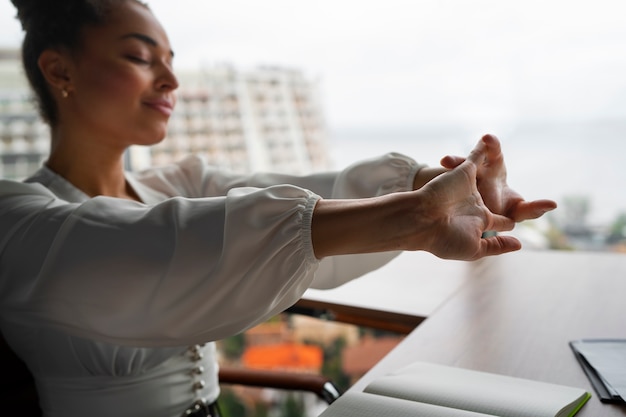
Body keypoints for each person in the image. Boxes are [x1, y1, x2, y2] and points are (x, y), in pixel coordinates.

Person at [0, 0, 557, 416]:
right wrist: (414, 215)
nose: (170, 79)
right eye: (140, 58)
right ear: (59, 70)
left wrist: (438, 185)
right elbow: (151, 250)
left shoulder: (181, 182)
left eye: (170, 60)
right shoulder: (16, 217)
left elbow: (316, 193)